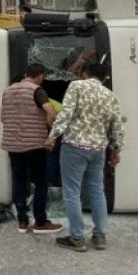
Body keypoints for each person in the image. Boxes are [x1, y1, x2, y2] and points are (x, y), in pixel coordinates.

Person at [44, 61, 125, 252]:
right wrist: (115, 150)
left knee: (72, 191)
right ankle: (100, 236)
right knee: (97, 191)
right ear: (104, 78)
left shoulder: (76, 86)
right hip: (98, 149)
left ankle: (77, 238)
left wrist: (52, 136)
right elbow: (118, 126)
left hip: (74, 146)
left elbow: (66, 114)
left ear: (85, 73)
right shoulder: (110, 95)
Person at [0, 63, 63, 235]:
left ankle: (22, 221)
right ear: (40, 76)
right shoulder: (37, 90)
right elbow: (52, 112)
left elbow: (2, 117)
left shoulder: (8, 91)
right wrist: (50, 128)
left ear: (26, 73)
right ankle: (40, 222)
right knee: (40, 182)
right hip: (34, 145)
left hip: (13, 145)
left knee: (19, 180)